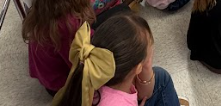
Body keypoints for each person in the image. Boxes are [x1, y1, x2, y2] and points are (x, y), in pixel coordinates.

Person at [22, 0, 129, 96]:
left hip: (66, 56)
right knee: (126, 38)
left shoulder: (52, 1)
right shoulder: (66, 24)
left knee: (122, 12)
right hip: (64, 85)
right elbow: (80, 67)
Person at [52, 14, 188, 106]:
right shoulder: (118, 102)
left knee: (160, 75)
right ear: (137, 68)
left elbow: (146, 92)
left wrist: (146, 67)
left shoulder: (92, 70)